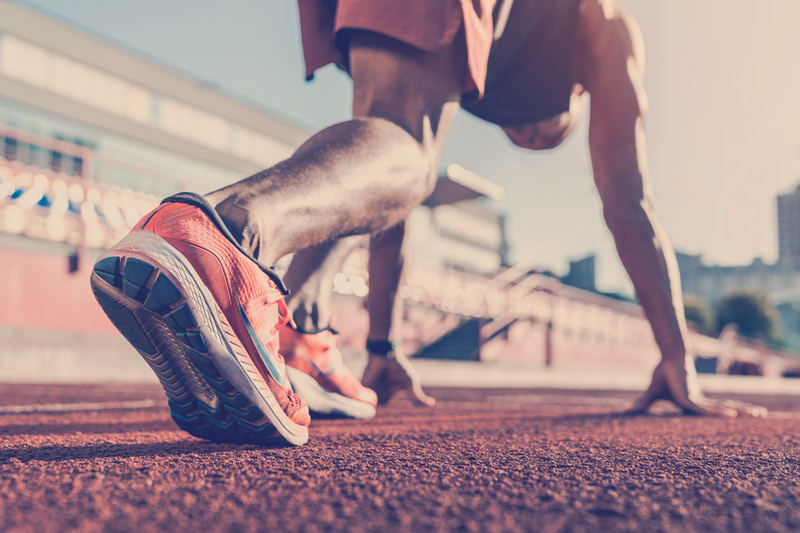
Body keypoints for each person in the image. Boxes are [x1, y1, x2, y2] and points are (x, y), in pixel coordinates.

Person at [89, 0, 763, 447]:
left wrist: (382, 344)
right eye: (540, 131)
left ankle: (294, 334)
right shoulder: (605, 28)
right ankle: (220, 234)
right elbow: (629, 203)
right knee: (405, 153)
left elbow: (383, 200)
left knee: (386, 155)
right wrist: (678, 357)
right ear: (578, 95)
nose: (523, 133)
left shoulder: (500, 44)